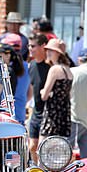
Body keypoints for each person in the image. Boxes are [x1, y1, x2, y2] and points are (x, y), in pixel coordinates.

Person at [40, 38, 73, 141]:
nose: (48, 53)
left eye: (51, 50)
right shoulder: (68, 70)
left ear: (58, 53)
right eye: (47, 50)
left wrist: (44, 92)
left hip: (52, 113)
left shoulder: (54, 69)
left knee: (42, 148)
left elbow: (44, 96)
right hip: (64, 113)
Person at [26, 33, 51, 162]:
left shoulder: (50, 66)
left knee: (42, 148)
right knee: (32, 147)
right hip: (36, 112)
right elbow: (31, 89)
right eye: (29, 45)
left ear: (43, 46)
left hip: (48, 113)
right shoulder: (31, 66)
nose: (30, 48)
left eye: (33, 46)